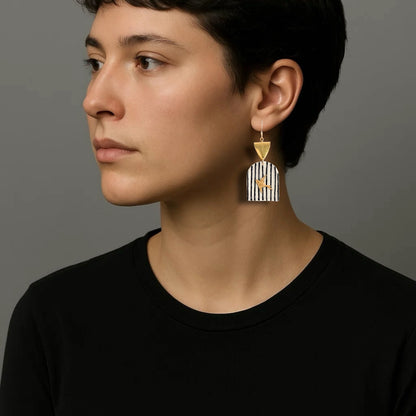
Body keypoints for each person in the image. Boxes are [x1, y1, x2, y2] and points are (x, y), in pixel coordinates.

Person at [1, 0, 415, 414]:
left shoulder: (400, 334)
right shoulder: (54, 322)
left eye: (147, 62)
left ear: (270, 96)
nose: (94, 100)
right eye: (96, 63)